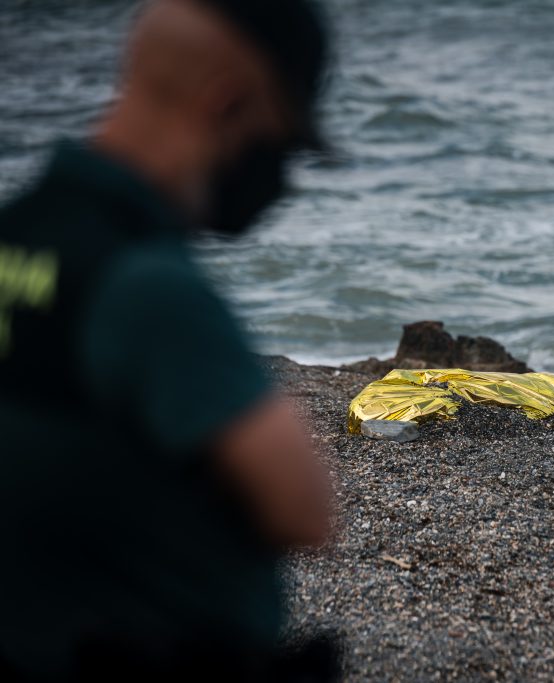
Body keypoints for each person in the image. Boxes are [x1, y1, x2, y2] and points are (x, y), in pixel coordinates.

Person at [0, 0, 339, 679]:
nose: (279, 176)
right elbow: (303, 507)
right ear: (227, 103)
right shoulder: (142, 281)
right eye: (280, 142)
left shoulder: (19, 234)